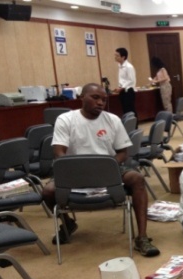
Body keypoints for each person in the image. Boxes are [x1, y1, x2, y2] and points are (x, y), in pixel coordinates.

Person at [42, 83, 160, 257]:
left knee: (137, 179)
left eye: (104, 100)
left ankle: (142, 237)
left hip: (108, 169)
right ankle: (67, 223)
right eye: (95, 98)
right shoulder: (66, 119)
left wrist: (107, 166)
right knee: (48, 191)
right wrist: (75, 169)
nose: (100, 103)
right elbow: (59, 152)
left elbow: (123, 152)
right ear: (82, 98)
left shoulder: (112, 120)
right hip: (75, 171)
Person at [114, 47, 137, 115]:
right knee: (125, 110)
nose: (115, 57)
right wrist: (119, 87)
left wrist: (122, 87)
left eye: (117, 56)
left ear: (123, 57)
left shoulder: (129, 67)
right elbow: (123, 79)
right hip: (122, 91)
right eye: (115, 55)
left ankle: (134, 122)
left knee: (130, 110)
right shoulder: (120, 66)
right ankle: (128, 121)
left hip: (128, 91)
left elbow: (131, 80)